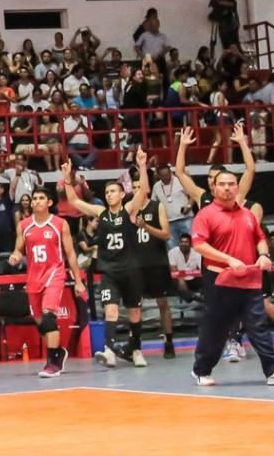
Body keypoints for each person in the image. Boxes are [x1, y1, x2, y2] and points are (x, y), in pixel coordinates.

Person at [60, 151, 150, 368]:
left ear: (121, 195)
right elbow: (72, 200)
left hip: (130, 270)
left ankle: (136, 349)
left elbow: (144, 190)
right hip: (109, 271)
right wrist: (67, 178)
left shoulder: (128, 210)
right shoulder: (100, 212)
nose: (109, 194)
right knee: (110, 310)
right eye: (107, 191)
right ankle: (109, 350)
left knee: (134, 312)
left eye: (113, 191)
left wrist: (142, 166)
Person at [189, 170, 274, 386]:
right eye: (222, 184)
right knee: (217, 328)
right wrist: (228, 260)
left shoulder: (247, 214)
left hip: (249, 281)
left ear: (238, 187)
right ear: (214, 188)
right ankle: (201, 370)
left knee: (258, 326)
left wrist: (263, 254)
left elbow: (260, 238)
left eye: (231, 184)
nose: (227, 188)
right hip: (221, 282)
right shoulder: (206, 215)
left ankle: (272, 371)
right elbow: (199, 245)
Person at [8, 187, 86, 377]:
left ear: (49, 203)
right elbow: (18, 249)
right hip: (33, 278)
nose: (37, 201)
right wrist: (15, 256)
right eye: (34, 198)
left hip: (54, 275)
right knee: (41, 323)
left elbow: (70, 254)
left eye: (41, 198)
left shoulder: (60, 224)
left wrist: (78, 281)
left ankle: (52, 363)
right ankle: (59, 352)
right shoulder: (24, 225)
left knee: (49, 317)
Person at [132, 175, 176, 358]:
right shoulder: (129, 210)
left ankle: (168, 341)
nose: (135, 191)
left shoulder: (157, 206)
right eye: (133, 188)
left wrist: (146, 227)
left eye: (138, 187)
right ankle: (135, 346)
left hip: (156, 262)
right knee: (135, 306)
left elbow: (166, 234)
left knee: (162, 303)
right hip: (136, 265)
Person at [170, 233, 203, 301]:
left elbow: (201, 270)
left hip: (193, 279)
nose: (183, 244)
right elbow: (173, 269)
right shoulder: (172, 252)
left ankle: (198, 296)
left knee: (205, 277)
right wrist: (181, 278)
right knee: (175, 279)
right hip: (179, 279)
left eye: (186, 242)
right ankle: (192, 296)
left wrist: (194, 273)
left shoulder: (197, 252)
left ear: (191, 244)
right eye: (181, 242)